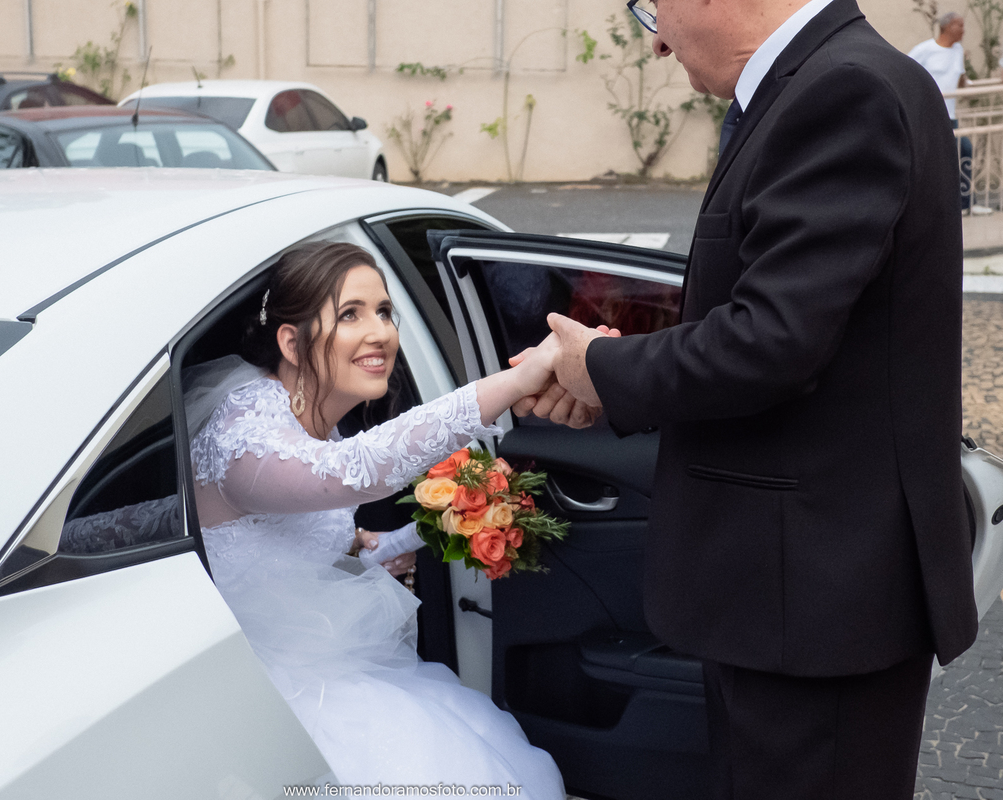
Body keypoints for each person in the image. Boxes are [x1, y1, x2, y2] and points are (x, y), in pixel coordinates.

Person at [515, 0, 979, 796]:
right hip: (799, 596)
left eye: (652, 9)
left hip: (816, 601)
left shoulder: (844, 90)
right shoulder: (834, 79)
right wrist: (612, 371)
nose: (657, 44)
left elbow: (772, 339)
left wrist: (603, 368)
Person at [187, 241, 567, 794]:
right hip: (263, 689)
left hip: (317, 665)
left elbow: (257, 523)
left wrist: (356, 543)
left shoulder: (309, 413)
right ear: (290, 342)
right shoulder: (243, 431)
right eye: (350, 314)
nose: (381, 333)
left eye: (384, 312)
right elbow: (351, 471)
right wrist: (515, 381)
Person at [908, 12, 984, 215]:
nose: (964, 30)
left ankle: (965, 204)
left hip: (950, 116)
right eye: (960, 25)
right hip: (929, 115)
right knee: (937, 160)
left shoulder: (958, 50)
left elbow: (959, 77)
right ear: (947, 27)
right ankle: (935, 206)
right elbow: (905, 72)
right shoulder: (925, 50)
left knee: (964, 150)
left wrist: (969, 85)